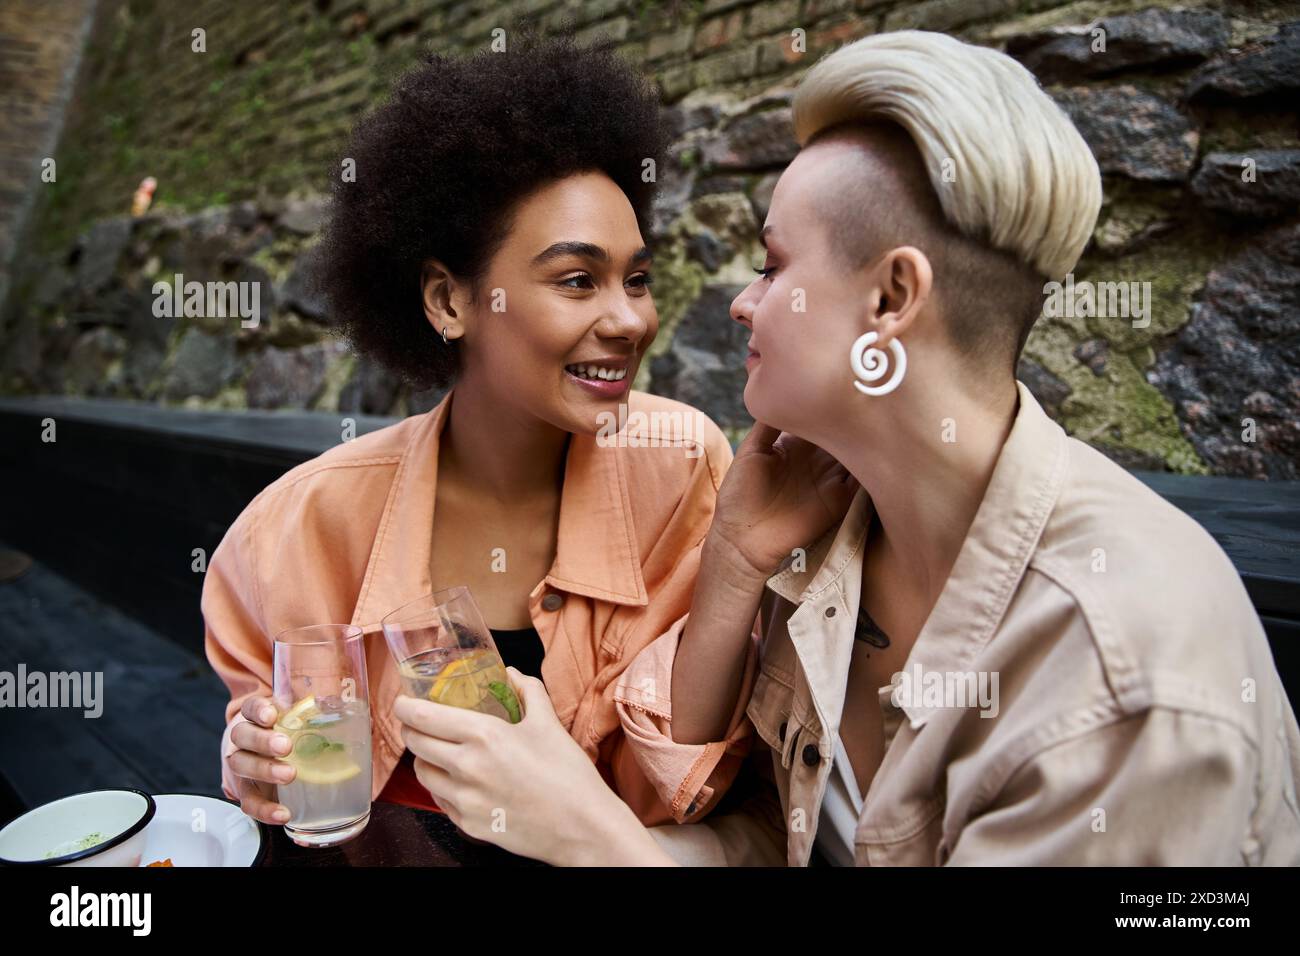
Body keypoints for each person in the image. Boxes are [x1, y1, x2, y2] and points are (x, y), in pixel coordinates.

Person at [392, 30, 1300, 866]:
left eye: (776, 265)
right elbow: (764, 832)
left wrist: (592, 838)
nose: (742, 303)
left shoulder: (1127, 680)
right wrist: (736, 563)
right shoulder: (827, 540)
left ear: (892, 299)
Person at [202, 33, 748, 832]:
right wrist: (253, 762)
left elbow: (681, 789)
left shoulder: (683, 469)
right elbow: (285, 772)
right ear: (449, 302)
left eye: (636, 278)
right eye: (576, 280)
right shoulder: (292, 536)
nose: (631, 318)